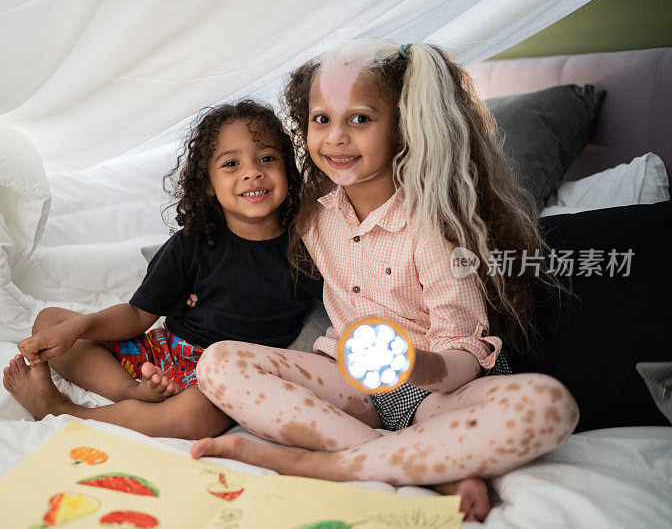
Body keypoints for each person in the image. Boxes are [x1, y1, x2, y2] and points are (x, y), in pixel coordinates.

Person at [190, 41, 579, 521]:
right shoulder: (314, 214)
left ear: (402, 125)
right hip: (354, 388)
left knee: (547, 405)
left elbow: (465, 354)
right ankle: (415, 465)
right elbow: (248, 231)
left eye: (360, 119)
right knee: (218, 363)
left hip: (437, 391)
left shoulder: (435, 226)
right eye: (321, 119)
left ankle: (324, 465)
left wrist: (407, 364)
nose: (335, 138)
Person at [3, 100, 320, 440]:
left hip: (228, 376)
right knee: (50, 320)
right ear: (209, 185)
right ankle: (131, 392)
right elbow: (138, 314)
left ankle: (66, 411)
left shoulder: (311, 246)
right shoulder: (193, 244)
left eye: (267, 158)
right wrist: (78, 327)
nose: (252, 171)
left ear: (289, 169)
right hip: (164, 352)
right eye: (231, 163)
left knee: (197, 416)